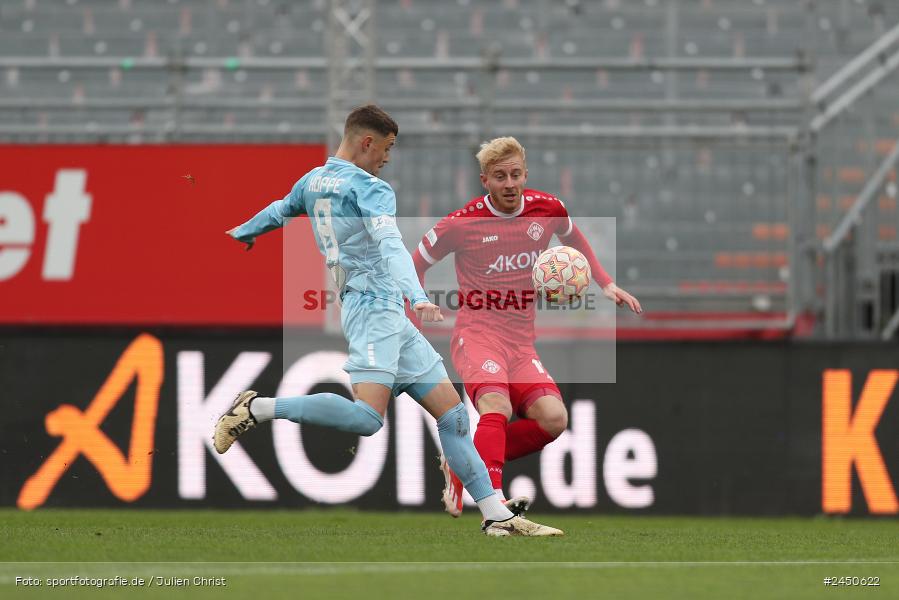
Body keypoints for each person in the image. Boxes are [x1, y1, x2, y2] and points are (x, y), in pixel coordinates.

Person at [214, 106, 562, 536]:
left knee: (453, 416)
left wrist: (248, 230)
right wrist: (417, 296)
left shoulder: (313, 180)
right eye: (387, 148)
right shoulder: (369, 187)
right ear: (367, 142)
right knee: (367, 419)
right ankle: (257, 408)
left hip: (383, 311)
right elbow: (392, 244)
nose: (388, 158)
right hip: (372, 309)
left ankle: (496, 516)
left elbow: (280, 209)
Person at [411, 136, 642, 517]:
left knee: (554, 419)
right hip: (477, 335)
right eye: (500, 176)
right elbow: (415, 262)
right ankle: (495, 500)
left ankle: (462, 461)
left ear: (525, 174)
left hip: (520, 343)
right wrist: (418, 300)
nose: (509, 184)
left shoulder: (547, 208)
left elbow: (573, 237)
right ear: (485, 180)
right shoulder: (462, 223)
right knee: (497, 407)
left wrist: (605, 282)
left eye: (516, 174)